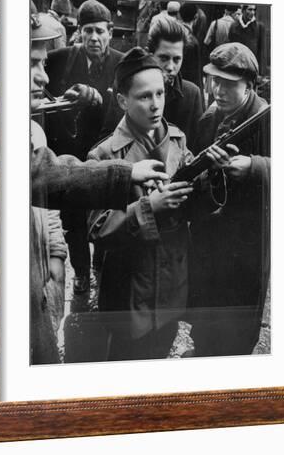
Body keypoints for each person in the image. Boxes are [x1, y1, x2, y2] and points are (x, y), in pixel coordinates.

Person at [29, 15, 169, 364]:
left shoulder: (175, 137)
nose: (44, 77)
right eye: (32, 64)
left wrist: (56, 255)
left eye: (43, 64)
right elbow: (50, 176)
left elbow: (42, 196)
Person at [88, 47, 194, 361]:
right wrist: (149, 207)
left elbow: (191, 201)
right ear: (122, 101)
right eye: (144, 96)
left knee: (159, 360)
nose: (156, 104)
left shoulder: (177, 140)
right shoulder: (105, 155)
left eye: (160, 93)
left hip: (170, 288)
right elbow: (98, 228)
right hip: (130, 294)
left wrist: (207, 176)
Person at [188, 42, 270, 357]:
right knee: (206, 316)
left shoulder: (269, 121)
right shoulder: (209, 119)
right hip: (211, 240)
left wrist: (255, 166)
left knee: (239, 326)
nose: (217, 90)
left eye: (228, 84)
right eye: (213, 80)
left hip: (249, 246)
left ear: (250, 85)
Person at [41, 0, 124, 294]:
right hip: (71, 156)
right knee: (73, 219)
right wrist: (65, 100)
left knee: (107, 214)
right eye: (87, 31)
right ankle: (81, 273)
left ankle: (101, 268)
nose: (94, 38)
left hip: (106, 154)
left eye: (100, 31)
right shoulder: (61, 59)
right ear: (78, 32)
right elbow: (41, 90)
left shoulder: (122, 62)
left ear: (110, 32)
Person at [102, 16, 203, 149]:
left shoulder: (192, 94)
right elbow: (110, 137)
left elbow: (196, 147)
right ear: (150, 55)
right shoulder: (129, 86)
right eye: (164, 58)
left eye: (177, 59)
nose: (171, 67)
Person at [228, 4, 266, 75]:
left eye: (254, 10)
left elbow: (262, 52)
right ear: (243, 10)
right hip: (237, 68)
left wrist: (261, 73)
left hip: (252, 68)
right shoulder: (234, 26)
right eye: (250, 9)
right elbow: (231, 49)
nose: (252, 12)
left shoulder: (259, 27)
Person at [178, 2, 203, 90]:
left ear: (180, 15)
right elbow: (195, 74)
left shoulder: (174, 34)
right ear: (196, 17)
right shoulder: (192, 41)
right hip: (188, 88)